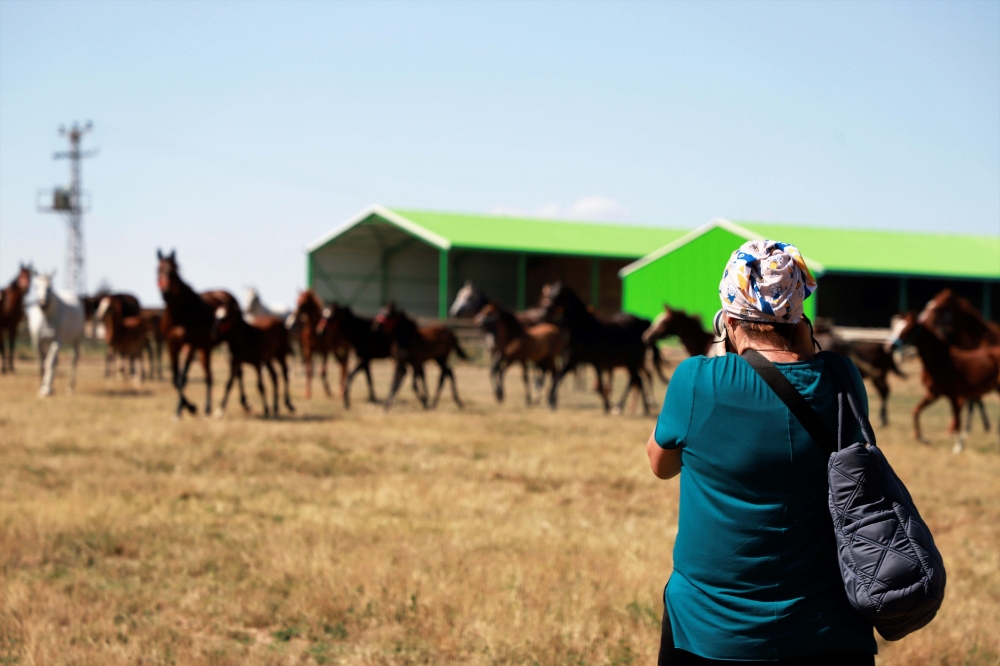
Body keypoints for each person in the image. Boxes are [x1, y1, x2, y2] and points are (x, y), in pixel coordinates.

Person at [646, 240, 877, 665]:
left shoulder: (696, 379)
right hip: (830, 630)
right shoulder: (843, 378)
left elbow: (660, 465)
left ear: (727, 319)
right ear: (800, 315)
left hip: (710, 630)